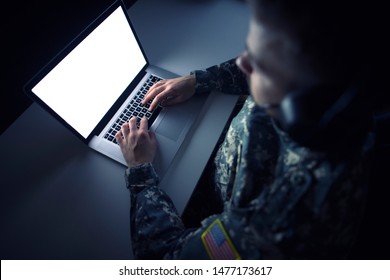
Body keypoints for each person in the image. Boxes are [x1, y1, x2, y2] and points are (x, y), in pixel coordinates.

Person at [115, 0, 386, 259]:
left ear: (302, 101)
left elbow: (164, 261)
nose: (242, 63)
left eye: (259, 64)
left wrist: (141, 172)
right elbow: (281, 58)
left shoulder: (276, 224)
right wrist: (199, 80)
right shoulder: (337, 95)